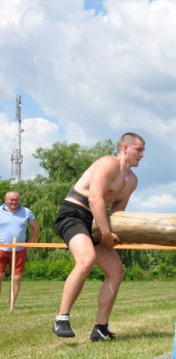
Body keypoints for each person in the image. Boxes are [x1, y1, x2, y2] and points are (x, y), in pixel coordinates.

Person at [52, 133, 146, 341]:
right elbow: (95, 198)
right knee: (86, 260)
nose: (141, 155)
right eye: (138, 150)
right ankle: (61, 318)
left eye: (142, 151)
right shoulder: (107, 163)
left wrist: (114, 233)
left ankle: (100, 328)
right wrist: (105, 233)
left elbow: (117, 212)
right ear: (124, 148)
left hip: (98, 220)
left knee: (116, 271)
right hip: (74, 214)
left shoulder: (132, 180)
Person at [0, 191, 40, 305]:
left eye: (16, 199)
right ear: (5, 200)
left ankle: (12, 304)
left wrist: (29, 244)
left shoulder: (26, 212)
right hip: (1, 249)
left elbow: (36, 228)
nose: (14, 202)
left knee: (16, 278)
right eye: (11, 199)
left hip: (19, 250)